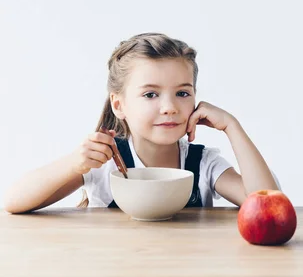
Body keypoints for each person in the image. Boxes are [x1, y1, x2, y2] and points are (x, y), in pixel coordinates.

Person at [4, 33, 278, 213]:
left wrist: (232, 127)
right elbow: (13, 202)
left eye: (183, 93)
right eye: (150, 94)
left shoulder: (204, 164)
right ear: (119, 105)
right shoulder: (104, 163)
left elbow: (269, 205)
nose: (170, 108)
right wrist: (74, 164)